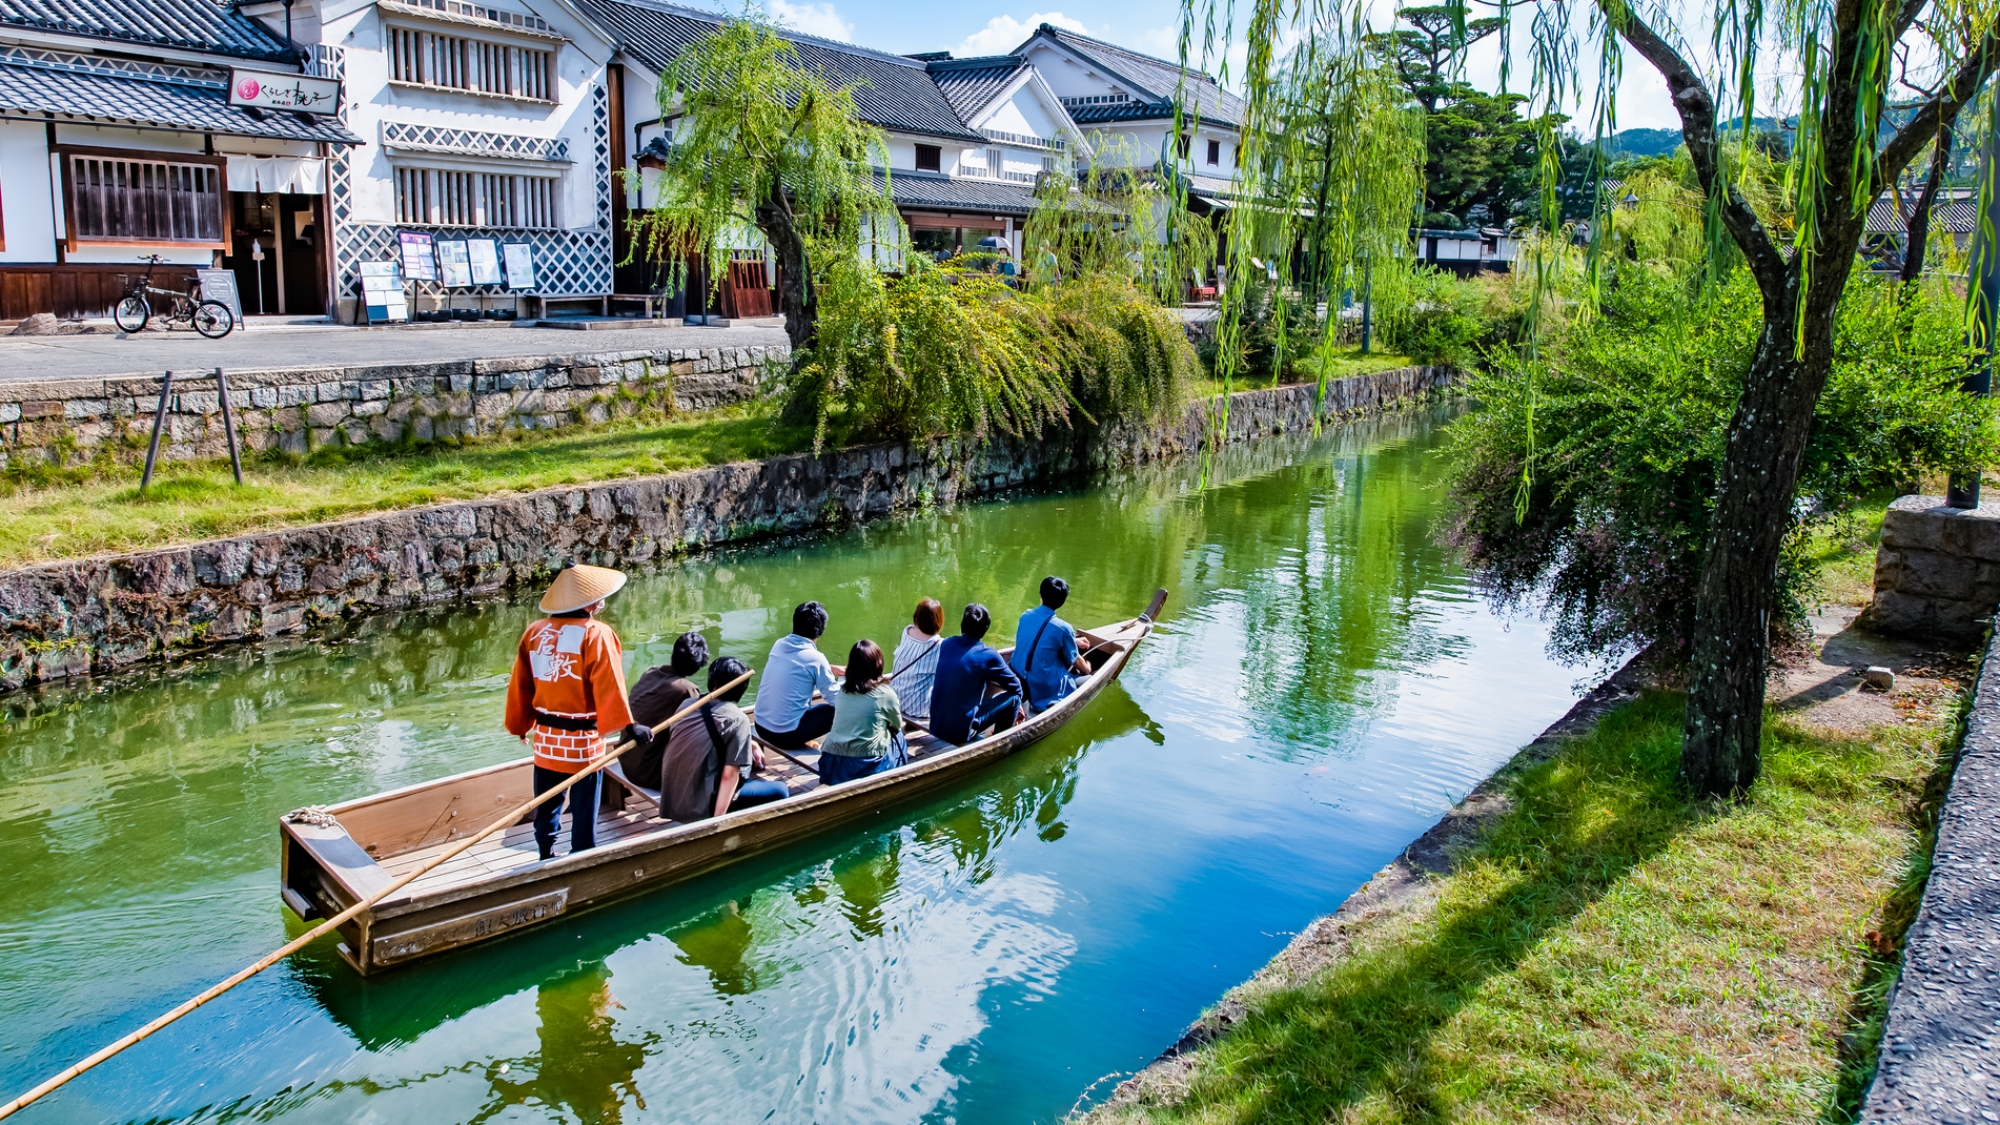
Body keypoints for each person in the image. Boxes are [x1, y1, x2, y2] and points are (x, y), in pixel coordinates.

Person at [505, 565, 651, 861]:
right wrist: (629, 725)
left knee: (547, 799)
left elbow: (521, 685)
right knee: (585, 804)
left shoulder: (535, 632)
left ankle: (546, 852)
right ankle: (582, 855)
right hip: (582, 738)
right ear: (592, 603)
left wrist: (520, 724)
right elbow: (610, 685)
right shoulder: (596, 634)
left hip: (546, 736)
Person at [659, 657, 789, 822]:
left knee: (742, 761)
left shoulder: (687, 705)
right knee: (781, 790)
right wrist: (716, 822)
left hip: (673, 799)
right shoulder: (738, 719)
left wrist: (750, 744)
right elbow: (729, 776)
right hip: (699, 806)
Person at [621, 631, 709, 790]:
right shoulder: (687, 690)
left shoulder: (650, 673)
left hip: (626, 760)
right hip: (649, 773)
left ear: (672, 653)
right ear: (699, 665)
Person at [927, 603, 1024, 746]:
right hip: (960, 733)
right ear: (985, 629)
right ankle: (999, 743)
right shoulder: (988, 655)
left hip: (935, 726)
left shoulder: (947, 643)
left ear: (962, 625)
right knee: (1015, 699)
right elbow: (1016, 687)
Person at [755, 601, 844, 750]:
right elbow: (837, 700)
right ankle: (835, 752)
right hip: (784, 735)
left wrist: (829, 668)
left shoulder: (779, 644)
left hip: (761, 726)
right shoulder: (816, 658)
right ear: (820, 630)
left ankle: (807, 740)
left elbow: (797, 665)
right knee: (836, 711)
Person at [819, 640, 908, 785]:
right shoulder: (885, 694)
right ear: (878, 664)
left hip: (832, 762)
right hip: (864, 766)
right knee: (898, 736)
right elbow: (896, 725)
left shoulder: (843, 690)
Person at [1011, 576, 1092, 713]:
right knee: (1088, 679)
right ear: (1062, 601)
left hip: (1016, 674)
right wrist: (1088, 667)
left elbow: (1039, 635)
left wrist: (1073, 640)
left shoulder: (1025, 615)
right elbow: (1076, 660)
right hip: (1040, 685)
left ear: (1040, 594)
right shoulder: (1063, 628)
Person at [889, 598, 945, 727]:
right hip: (916, 709)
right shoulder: (939, 644)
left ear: (916, 618)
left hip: (894, 700)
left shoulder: (907, 631)